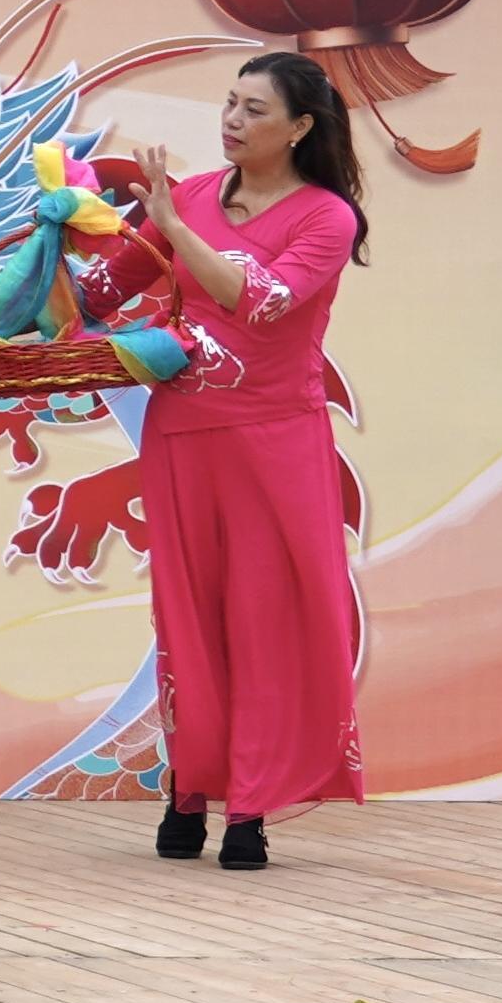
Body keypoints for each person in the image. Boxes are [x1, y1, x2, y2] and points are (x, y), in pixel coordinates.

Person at [125, 51, 369, 872]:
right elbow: (102, 290)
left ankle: (251, 809)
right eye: (229, 103)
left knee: (261, 620)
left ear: (299, 128)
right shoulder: (190, 196)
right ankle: (188, 791)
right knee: (186, 618)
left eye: (254, 109)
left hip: (275, 441)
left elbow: (258, 302)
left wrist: (174, 226)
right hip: (181, 435)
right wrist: (27, 294)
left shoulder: (327, 218)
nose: (232, 120)